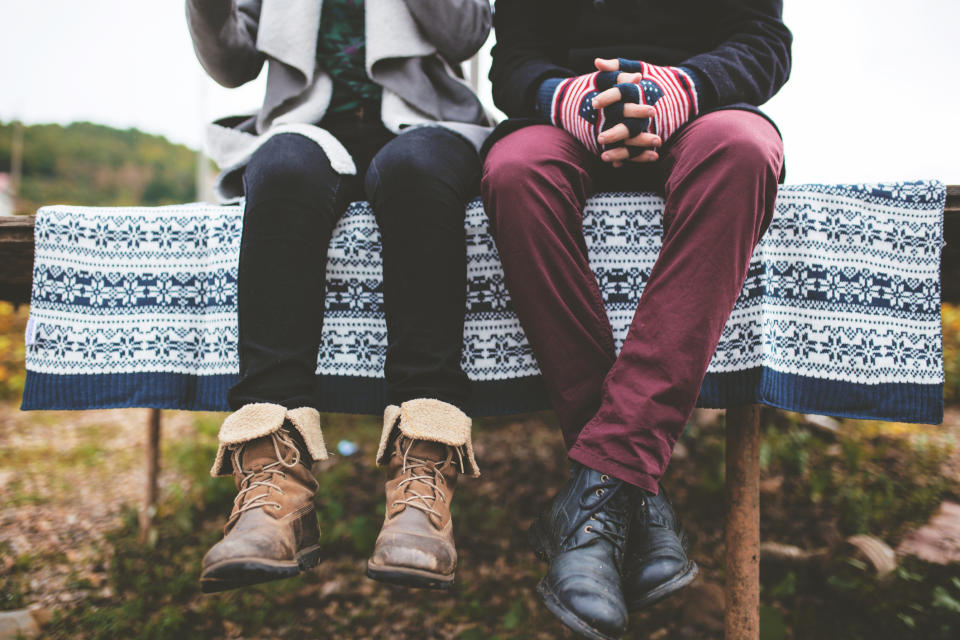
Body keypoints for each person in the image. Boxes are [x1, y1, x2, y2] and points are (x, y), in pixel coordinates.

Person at [481, 1, 791, 637]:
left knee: (745, 149)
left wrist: (680, 90)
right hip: (564, 120)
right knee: (515, 173)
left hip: (701, 113)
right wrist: (564, 98)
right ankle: (634, 499)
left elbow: (763, 40)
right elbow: (510, 64)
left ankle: (596, 497)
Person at [185, 0, 492, 593]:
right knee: (280, 169)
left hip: (427, 126)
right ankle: (276, 486)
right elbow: (231, 64)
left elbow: (465, 34)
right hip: (303, 124)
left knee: (417, 171)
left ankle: (423, 470)